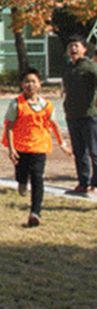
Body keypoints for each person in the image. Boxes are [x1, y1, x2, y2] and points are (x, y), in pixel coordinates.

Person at [3, 68, 73, 226]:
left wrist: (63, 144)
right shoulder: (16, 104)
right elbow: (9, 126)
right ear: (22, 84)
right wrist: (11, 148)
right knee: (21, 174)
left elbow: (54, 125)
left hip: (39, 147)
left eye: (33, 81)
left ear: (39, 84)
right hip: (21, 147)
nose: (30, 84)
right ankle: (21, 181)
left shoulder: (47, 105)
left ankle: (35, 212)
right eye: (26, 81)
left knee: (37, 178)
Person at [62, 35, 97, 194]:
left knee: (94, 151)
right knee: (79, 152)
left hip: (89, 115)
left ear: (84, 49)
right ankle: (83, 182)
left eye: (76, 46)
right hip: (72, 115)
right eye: (71, 46)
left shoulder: (89, 67)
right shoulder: (69, 68)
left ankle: (95, 183)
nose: (73, 49)